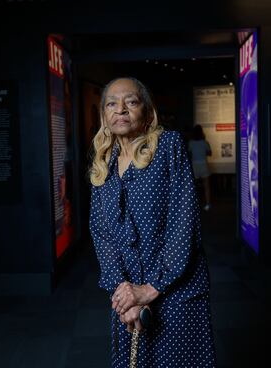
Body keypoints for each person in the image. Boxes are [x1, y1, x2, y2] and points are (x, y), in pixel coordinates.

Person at [88, 77, 216, 368]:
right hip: (128, 299)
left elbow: (185, 222)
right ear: (104, 116)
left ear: (147, 112)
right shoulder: (103, 163)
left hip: (176, 292)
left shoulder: (168, 147)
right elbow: (101, 233)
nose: (120, 109)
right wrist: (122, 290)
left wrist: (151, 288)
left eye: (130, 102)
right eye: (111, 104)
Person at [188, 124, 213, 211]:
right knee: (207, 187)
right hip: (203, 165)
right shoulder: (205, 142)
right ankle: (207, 204)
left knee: (194, 187)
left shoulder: (191, 142)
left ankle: (194, 205)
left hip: (194, 166)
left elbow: (190, 155)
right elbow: (210, 153)